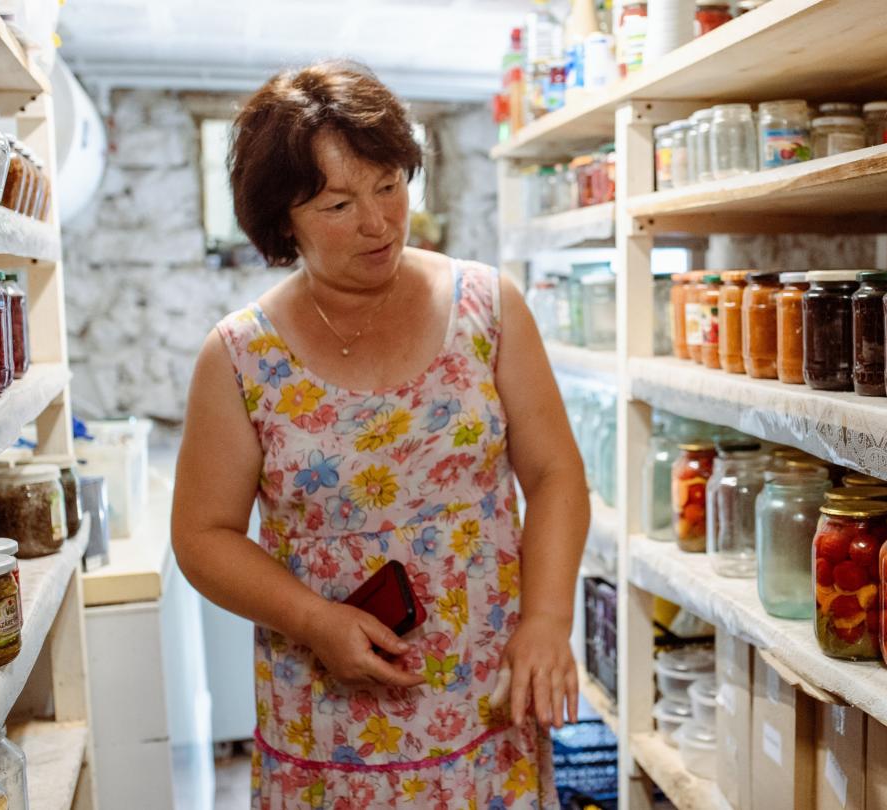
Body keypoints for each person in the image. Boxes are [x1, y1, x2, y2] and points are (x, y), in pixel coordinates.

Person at [171, 60, 589, 809]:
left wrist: (549, 619)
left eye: (390, 185)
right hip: (329, 722)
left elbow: (555, 473)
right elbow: (204, 536)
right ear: (282, 220)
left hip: (484, 703)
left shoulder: (488, 308)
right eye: (338, 204)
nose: (378, 222)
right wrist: (313, 620)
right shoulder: (240, 355)